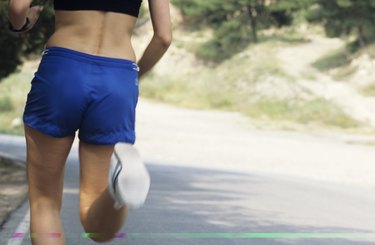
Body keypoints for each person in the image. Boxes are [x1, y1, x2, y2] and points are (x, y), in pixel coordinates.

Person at [7, 0, 172, 244]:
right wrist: (133, 74)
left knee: (45, 202)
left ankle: (119, 187)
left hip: (63, 68)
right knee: (97, 229)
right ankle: (118, 191)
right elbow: (163, 37)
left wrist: (22, 24)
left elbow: (17, 8)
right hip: (118, 75)